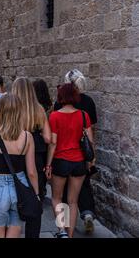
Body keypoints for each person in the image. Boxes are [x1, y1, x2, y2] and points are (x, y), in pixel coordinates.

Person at [0, 94, 39, 238]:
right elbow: (31, 171)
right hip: (20, 186)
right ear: (20, 112)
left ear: (0, 112)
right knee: (15, 228)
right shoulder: (27, 137)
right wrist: (35, 194)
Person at [46, 83, 95, 238]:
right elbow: (91, 141)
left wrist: (48, 164)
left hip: (60, 161)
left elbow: (53, 143)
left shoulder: (54, 116)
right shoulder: (83, 115)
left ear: (61, 97)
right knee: (73, 201)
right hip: (79, 162)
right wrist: (90, 161)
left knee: (57, 198)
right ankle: (70, 234)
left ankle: (61, 231)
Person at [55, 70, 98, 234]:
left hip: (61, 156)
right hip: (81, 156)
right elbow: (91, 131)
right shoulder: (88, 102)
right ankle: (87, 213)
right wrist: (91, 156)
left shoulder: (60, 104)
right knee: (83, 187)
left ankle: (62, 229)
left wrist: (48, 161)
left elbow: (53, 135)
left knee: (61, 196)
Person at [11, 77, 52, 238]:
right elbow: (48, 138)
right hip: (36, 156)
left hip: (16, 152)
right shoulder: (39, 109)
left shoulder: (12, 108)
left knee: (15, 195)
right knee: (36, 198)